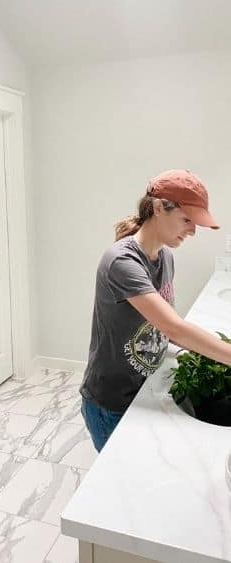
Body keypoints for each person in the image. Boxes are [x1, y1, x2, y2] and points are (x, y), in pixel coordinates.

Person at [80, 169, 231, 452]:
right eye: (187, 220)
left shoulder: (165, 257)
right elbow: (175, 327)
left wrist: (208, 349)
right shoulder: (121, 262)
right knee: (122, 484)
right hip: (111, 403)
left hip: (143, 389)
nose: (192, 231)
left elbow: (165, 326)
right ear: (160, 207)